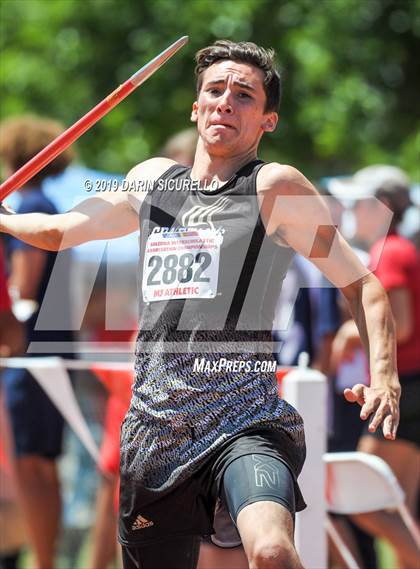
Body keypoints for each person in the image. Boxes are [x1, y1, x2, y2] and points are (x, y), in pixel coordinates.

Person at [0, 41, 401, 569]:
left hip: (245, 418)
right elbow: (56, 231)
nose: (225, 102)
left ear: (268, 120)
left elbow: (364, 286)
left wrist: (384, 376)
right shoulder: (151, 183)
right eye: (215, 91)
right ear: (196, 108)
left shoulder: (274, 189)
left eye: (243, 95)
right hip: (155, 426)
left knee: (274, 550)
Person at [330, 165, 420, 569]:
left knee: (362, 502)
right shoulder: (400, 248)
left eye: (359, 203)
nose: (351, 210)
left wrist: (350, 332)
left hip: (410, 388)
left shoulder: (391, 251)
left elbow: (400, 325)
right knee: (400, 510)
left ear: (380, 207)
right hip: (415, 387)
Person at [0, 116, 75, 569]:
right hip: (47, 347)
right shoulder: (41, 202)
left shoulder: (31, 204)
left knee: (34, 465)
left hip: (32, 351)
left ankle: (44, 562)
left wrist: (8, 321)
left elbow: (23, 293)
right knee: (39, 464)